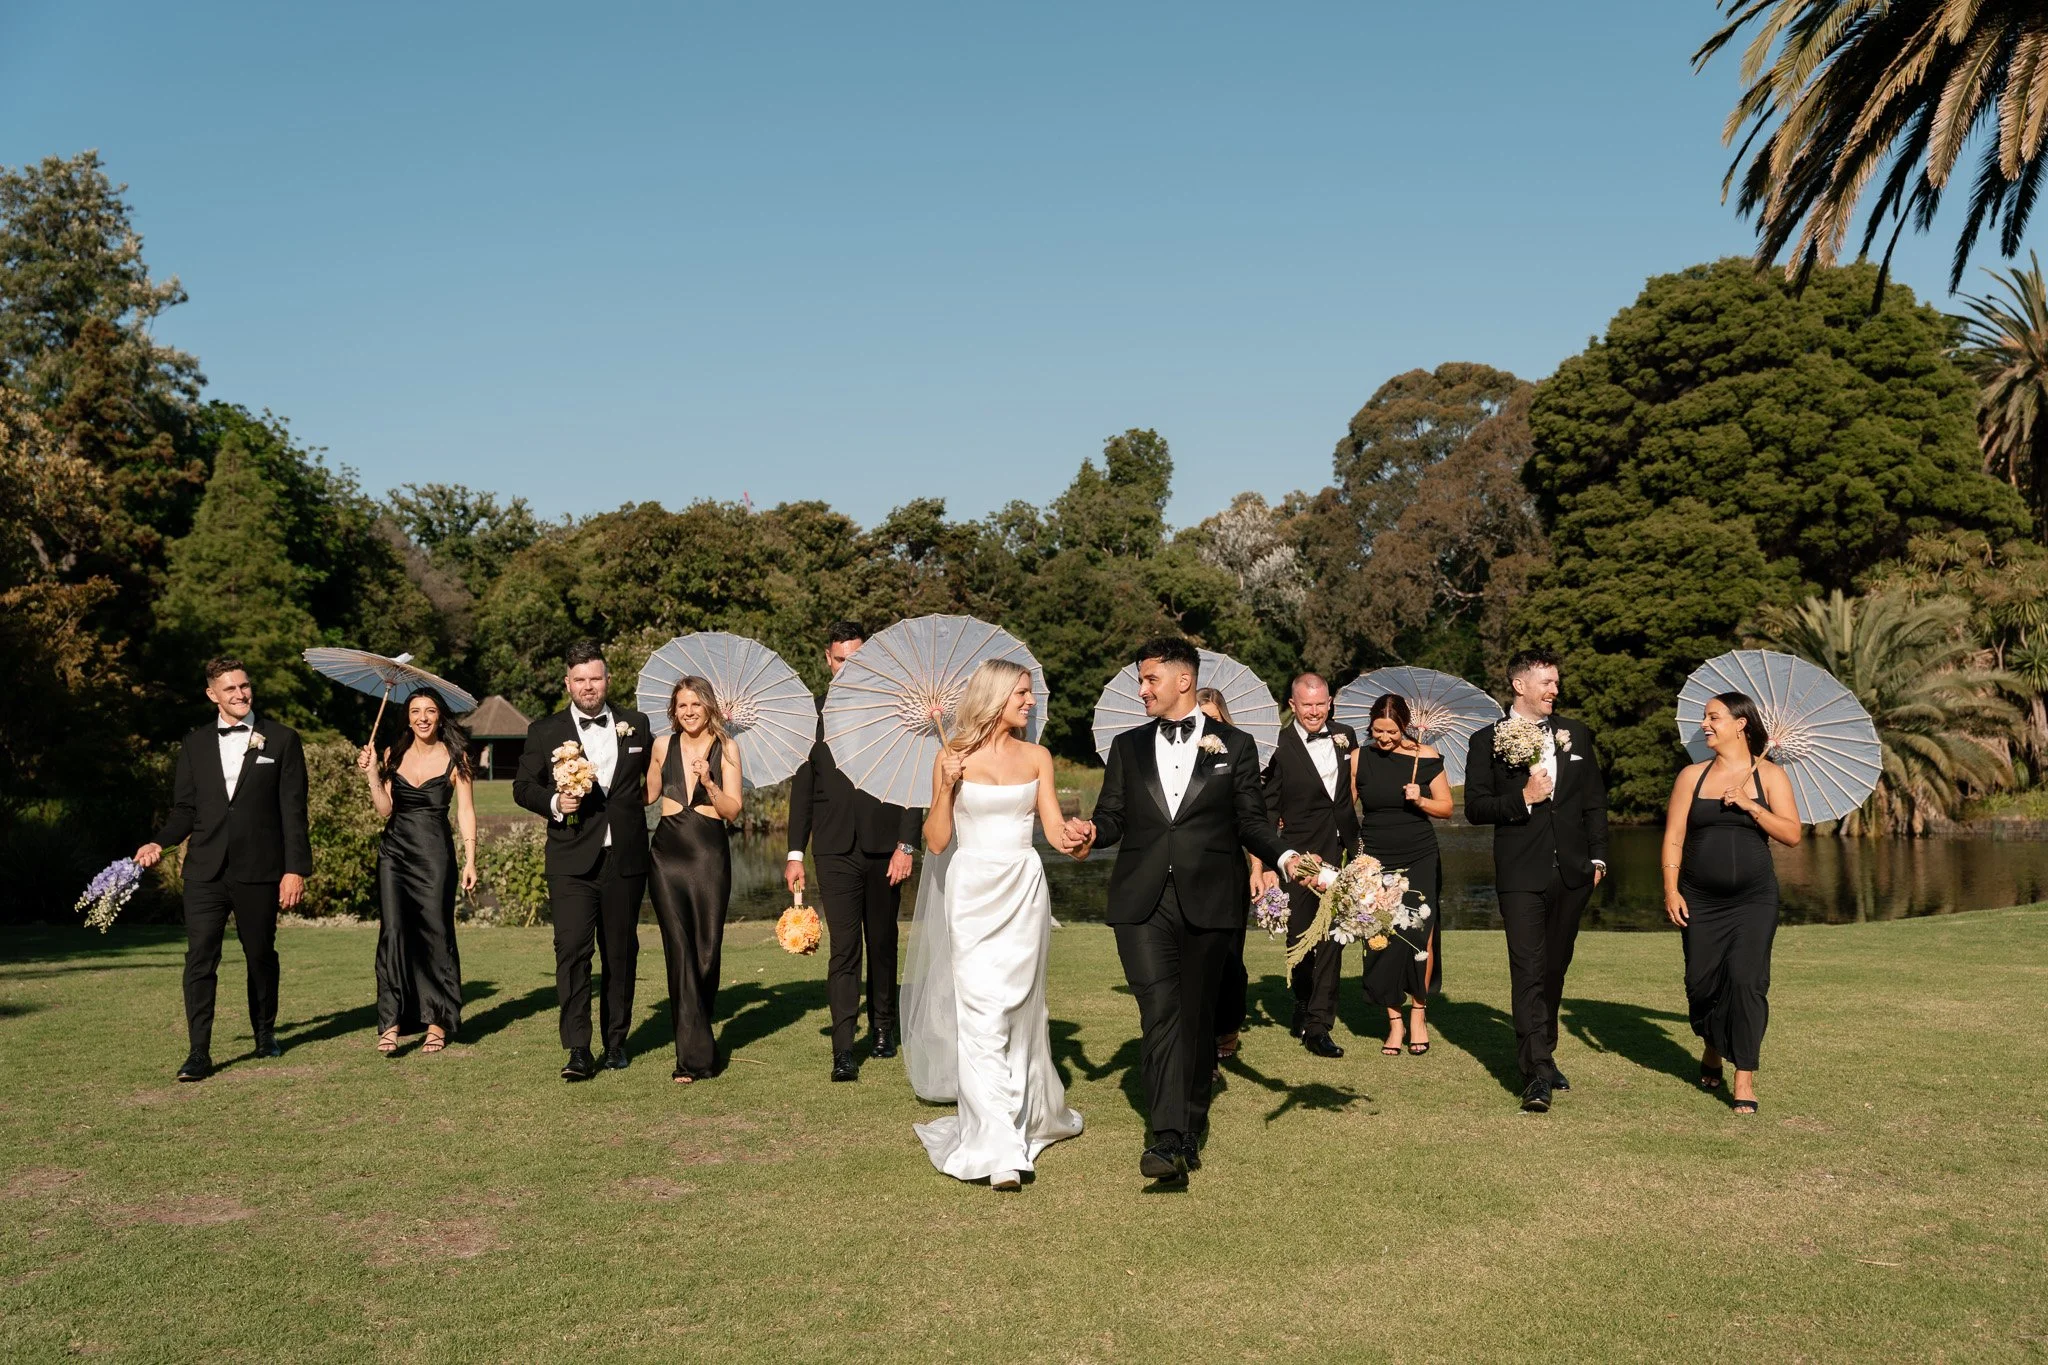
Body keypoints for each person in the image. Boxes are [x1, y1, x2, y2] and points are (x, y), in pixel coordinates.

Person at [1067, 637, 1295, 1184]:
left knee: (1194, 1019)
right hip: (1140, 901)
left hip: (1212, 900)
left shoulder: (1236, 747)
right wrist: (1094, 831)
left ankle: (1190, 1125)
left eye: (1149, 680)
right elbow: (1114, 815)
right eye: (1140, 680)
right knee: (1161, 1011)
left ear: (1182, 681)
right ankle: (1166, 1139)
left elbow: (1251, 822)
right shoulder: (1127, 746)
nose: (1141, 689)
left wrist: (1286, 857)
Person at [903, 660, 1085, 1191]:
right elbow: (935, 841)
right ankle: (997, 1147)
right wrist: (944, 789)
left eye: (1030, 693)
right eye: (1023, 694)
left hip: (1024, 889)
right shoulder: (950, 756)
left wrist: (1078, 838)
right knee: (980, 1009)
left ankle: (1023, 1112)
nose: (1031, 702)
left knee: (1019, 1005)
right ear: (996, 696)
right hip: (972, 891)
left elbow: (1052, 830)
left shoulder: (1038, 757)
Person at [134, 656, 311, 1082]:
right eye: (230, 689)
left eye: (245, 686)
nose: (240, 694)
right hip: (205, 871)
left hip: (261, 870)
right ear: (212, 694)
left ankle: (265, 1032)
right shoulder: (194, 744)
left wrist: (295, 869)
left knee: (260, 957)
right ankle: (199, 1052)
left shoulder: (282, 740)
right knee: (199, 959)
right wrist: (161, 840)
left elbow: (293, 812)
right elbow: (185, 809)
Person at [1464, 649, 1608, 1113]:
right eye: (1546, 681)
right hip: (1520, 874)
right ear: (1519, 685)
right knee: (1527, 968)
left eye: (1556, 682)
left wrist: (1598, 859)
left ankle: (1543, 1049)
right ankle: (1536, 1074)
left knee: (1554, 968)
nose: (1554, 690)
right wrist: (1522, 797)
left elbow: (1593, 803)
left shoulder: (1576, 732)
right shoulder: (1485, 740)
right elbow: (1476, 808)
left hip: (1573, 872)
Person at [785, 621, 922, 1083]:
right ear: (828, 660)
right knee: (844, 948)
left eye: (857, 659)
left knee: (882, 942)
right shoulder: (811, 716)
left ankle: (884, 1026)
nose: (848, 668)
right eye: (841, 659)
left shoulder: (894, 712)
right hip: (833, 848)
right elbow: (803, 791)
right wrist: (795, 854)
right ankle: (843, 1048)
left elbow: (912, 781)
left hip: (886, 847)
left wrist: (907, 843)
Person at [512, 640, 653, 1082]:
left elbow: (657, 773)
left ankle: (616, 1042)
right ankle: (577, 1049)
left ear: (607, 680)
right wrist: (555, 801)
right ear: (567, 683)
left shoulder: (638, 724)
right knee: (572, 951)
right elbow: (521, 786)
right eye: (580, 680)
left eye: (596, 678)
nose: (589, 687)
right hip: (571, 860)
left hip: (626, 858)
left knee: (621, 952)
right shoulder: (544, 731)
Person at [1661, 691, 1802, 1116]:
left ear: (1740, 724)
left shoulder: (1770, 776)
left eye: (1713, 717)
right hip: (1700, 899)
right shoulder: (1691, 776)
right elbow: (1673, 838)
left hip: (1753, 900)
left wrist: (1750, 805)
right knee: (1701, 985)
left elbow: (1792, 834)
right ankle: (1711, 1045)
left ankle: (1744, 1077)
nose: (1705, 724)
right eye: (1705, 718)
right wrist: (1671, 889)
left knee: (1747, 981)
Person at [356, 687, 476, 1056]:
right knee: (392, 933)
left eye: (429, 711)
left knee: (434, 932)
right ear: (407, 716)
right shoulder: (394, 752)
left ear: (440, 716)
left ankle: (436, 1021)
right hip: (394, 854)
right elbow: (384, 809)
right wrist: (373, 775)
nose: (422, 717)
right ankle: (390, 1022)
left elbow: (466, 811)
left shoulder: (458, 757)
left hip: (435, 855)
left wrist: (471, 858)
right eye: (415, 711)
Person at [644, 676, 743, 1084]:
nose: (688, 712)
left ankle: (699, 1029)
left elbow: (733, 811)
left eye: (696, 705)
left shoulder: (728, 748)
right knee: (680, 950)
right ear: (674, 709)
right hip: (666, 855)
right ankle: (693, 1058)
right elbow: (646, 794)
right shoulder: (662, 746)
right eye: (682, 705)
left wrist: (708, 782)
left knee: (706, 952)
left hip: (708, 856)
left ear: (709, 708)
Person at [1259, 673, 1359, 1059]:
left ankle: (1320, 1025)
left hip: (1344, 851)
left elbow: (1347, 792)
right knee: (1301, 936)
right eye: (1307, 705)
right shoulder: (1278, 747)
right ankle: (1302, 1002)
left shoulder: (1346, 736)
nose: (1315, 712)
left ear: (1330, 702)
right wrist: (1272, 860)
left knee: (1335, 935)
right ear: (1292, 705)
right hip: (1298, 856)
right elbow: (1268, 810)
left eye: (1321, 704)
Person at [1355, 693, 1452, 1056]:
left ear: (1405, 726)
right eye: (1378, 730)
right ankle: (1394, 1022)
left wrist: (1421, 799)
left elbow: (1446, 808)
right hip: (1376, 859)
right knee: (1380, 934)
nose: (1383, 738)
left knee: (1418, 936)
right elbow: (1346, 809)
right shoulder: (1359, 758)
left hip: (1420, 855)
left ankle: (1418, 1014)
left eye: (1391, 731)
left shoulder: (1426, 758)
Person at [1197, 687, 1256, 1066]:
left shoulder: (1237, 754)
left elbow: (1253, 822)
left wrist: (1261, 869)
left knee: (1230, 956)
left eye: (1214, 720)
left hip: (1230, 868)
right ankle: (1200, 1041)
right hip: (1189, 869)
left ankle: (1228, 1026)